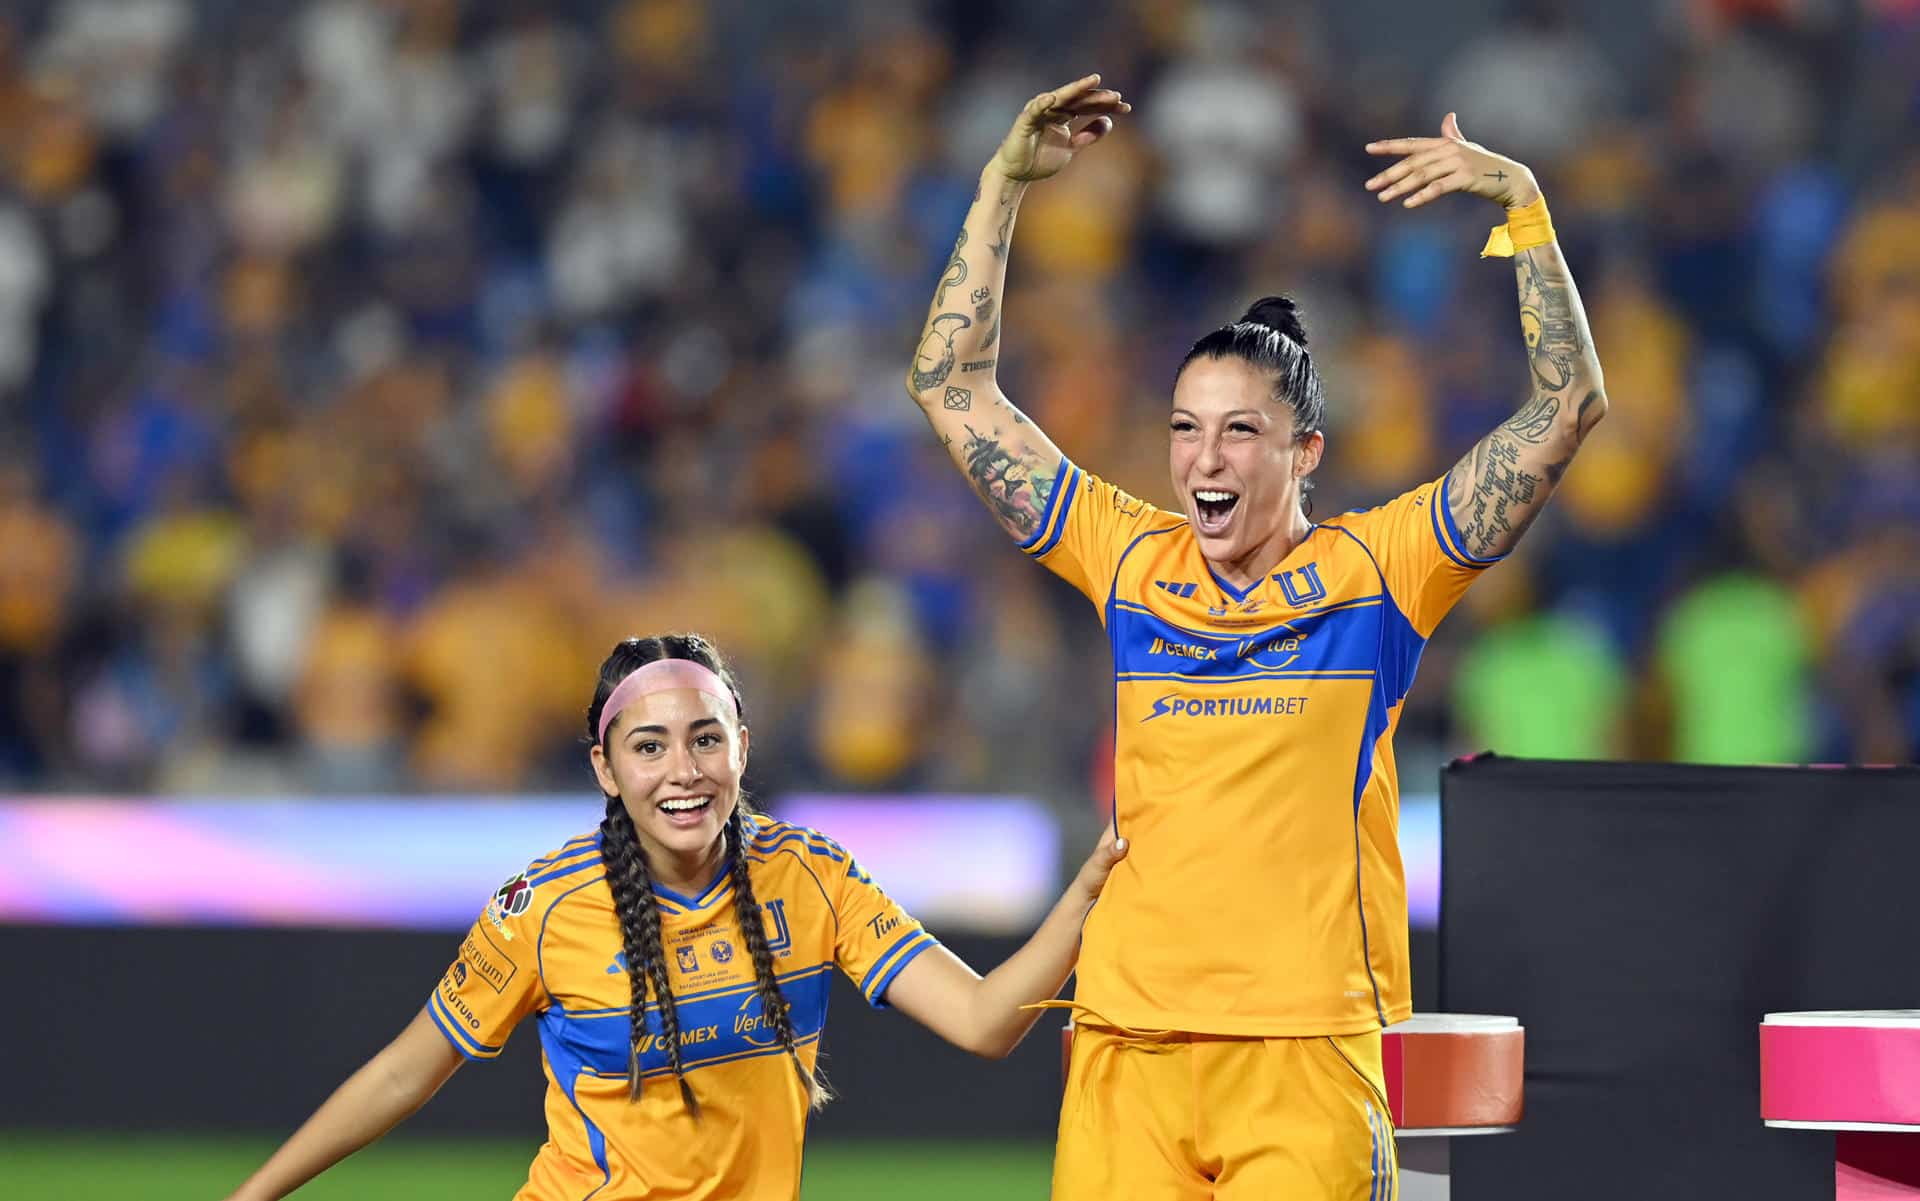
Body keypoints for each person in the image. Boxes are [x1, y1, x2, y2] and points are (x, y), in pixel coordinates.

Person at [904, 75, 1607, 1199]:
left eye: (1242, 432)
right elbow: (950, 387)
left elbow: (1568, 406)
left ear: (1307, 453)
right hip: (1127, 1046)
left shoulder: (1381, 572)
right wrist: (1001, 188)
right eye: (1185, 430)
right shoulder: (1130, 559)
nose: (1205, 460)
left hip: (1310, 1050)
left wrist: (1524, 211)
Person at [223, 632, 1128, 1201]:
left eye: (705, 738)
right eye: (648, 747)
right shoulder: (545, 906)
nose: (682, 770)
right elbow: (400, 1075)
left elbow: (982, 1021)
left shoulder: (810, 876)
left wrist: (1089, 891)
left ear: (742, 745)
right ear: (606, 770)